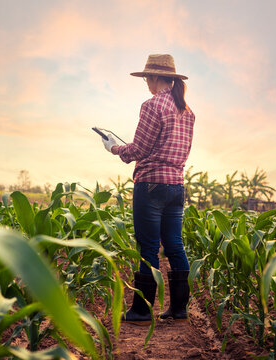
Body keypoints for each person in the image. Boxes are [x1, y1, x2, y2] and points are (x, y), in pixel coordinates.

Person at [101, 54, 195, 325]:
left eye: (146, 78)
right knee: (175, 246)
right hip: (177, 186)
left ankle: (142, 311)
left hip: (151, 185)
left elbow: (139, 149)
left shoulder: (152, 105)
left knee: (148, 248)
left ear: (155, 77)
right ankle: (179, 309)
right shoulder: (187, 111)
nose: (145, 83)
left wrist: (115, 148)